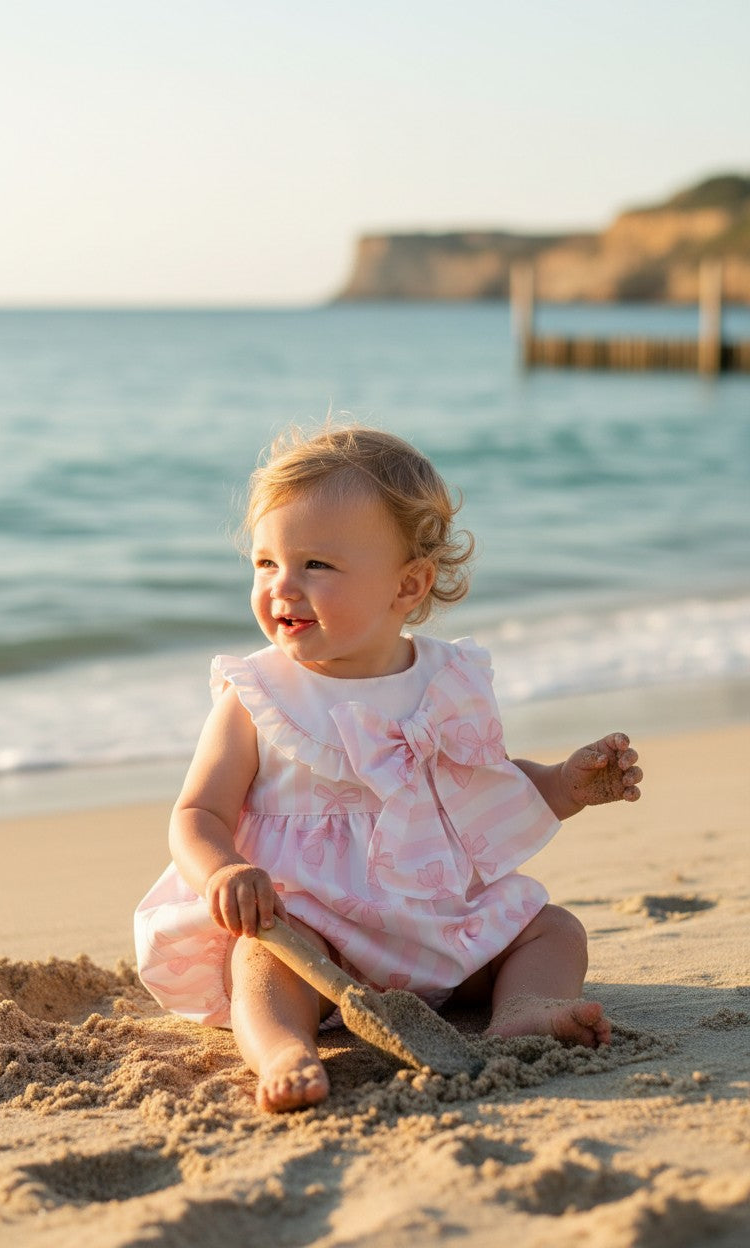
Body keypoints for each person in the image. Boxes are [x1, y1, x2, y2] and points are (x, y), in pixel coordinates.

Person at [135, 424, 642, 1113]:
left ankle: (523, 1007)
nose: (282, 586)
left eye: (316, 565)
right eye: (264, 564)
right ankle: (284, 1049)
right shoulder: (259, 696)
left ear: (408, 585)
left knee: (553, 929)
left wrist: (561, 785)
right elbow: (197, 813)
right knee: (257, 960)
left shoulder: (447, 680)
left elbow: (479, 780)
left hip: (439, 923)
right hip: (316, 935)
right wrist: (221, 871)